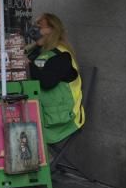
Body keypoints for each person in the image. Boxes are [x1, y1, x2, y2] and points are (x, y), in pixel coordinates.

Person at [26, 13, 84, 144]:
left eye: (39, 25)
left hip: (61, 118)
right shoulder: (38, 50)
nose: (34, 28)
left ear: (52, 30)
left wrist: (27, 64)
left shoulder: (61, 56)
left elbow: (47, 82)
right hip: (41, 111)